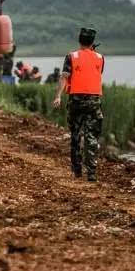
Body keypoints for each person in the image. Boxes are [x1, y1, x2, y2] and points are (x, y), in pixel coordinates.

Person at [53, 28, 104, 182]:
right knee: (91, 136)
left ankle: (77, 170)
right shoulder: (100, 57)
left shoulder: (71, 56)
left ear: (79, 40)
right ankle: (92, 172)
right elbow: (98, 73)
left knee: (76, 135)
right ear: (93, 42)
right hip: (94, 100)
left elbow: (64, 77)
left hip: (76, 100)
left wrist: (58, 96)